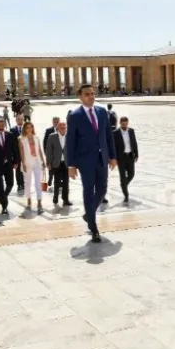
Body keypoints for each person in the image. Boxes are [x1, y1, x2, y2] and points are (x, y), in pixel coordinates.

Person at [66, 84, 117, 243]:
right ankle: (93, 227)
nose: (91, 96)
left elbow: (108, 135)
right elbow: (70, 141)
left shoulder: (102, 112)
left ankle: (89, 214)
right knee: (88, 190)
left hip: (102, 158)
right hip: (85, 160)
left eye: (93, 94)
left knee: (102, 190)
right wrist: (71, 165)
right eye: (87, 94)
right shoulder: (75, 115)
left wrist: (113, 156)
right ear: (80, 97)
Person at [18, 122, 46, 213]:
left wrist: (43, 161)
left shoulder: (36, 138)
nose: (29, 129)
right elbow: (21, 152)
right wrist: (23, 163)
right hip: (27, 162)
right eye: (27, 127)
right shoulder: (21, 139)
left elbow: (40, 150)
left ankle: (39, 202)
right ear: (25, 129)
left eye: (31, 127)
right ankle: (29, 201)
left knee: (38, 182)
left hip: (37, 161)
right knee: (28, 183)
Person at [113, 116, 138, 203]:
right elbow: (114, 147)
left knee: (131, 174)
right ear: (120, 123)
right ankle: (126, 195)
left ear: (128, 123)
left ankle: (123, 184)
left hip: (130, 156)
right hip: (121, 158)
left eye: (126, 123)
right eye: (123, 124)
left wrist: (136, 154)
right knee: (123, 176)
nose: (124, 125)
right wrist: (114, 158)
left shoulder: (131, 131)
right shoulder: (115, 133)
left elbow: (134, 142)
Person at [46, 121, 70, 206]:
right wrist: (48, 163)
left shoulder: (69, 136)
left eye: (65, 127)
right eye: (62, 128)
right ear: (58, 128)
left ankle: (65, 199)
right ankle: (55, 197)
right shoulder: (52, 137)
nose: (64, 129)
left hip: (66, 163)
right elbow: (48, 151)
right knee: (56, 181)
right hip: (56, 163)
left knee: (66, 182)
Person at [10, 114, 25, 192]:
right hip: (17, 154)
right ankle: (19, 184)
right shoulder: (12, 130)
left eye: (21, 119)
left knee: (25, 169)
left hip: (26, 153)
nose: (20, 121)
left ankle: (24, 183)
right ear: (16, 120)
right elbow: (11, 143)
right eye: (18, 119)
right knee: (18, 170)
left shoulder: (26, 129)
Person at [43, 117, 59, 187]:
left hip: (59, 153)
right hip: (51, 153)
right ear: (52, 122)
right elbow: (45, 142)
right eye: (55, 121)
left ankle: (58, 180)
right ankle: (50, 178)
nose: (56, 123)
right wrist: (46, 152)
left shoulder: (62, 130)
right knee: (50, 167)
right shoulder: (48, 130)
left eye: (57, 121)